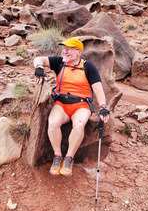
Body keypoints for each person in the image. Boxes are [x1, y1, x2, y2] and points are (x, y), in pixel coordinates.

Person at [33, 37, 110, 177]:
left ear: (78, 53)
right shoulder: (60, 63)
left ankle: (69, 158)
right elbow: (39, 59)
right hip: (62, 103)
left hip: (81, 104)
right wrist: (38, 67)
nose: (65, 52)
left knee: (79, 124)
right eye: (64, 49)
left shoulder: (88, 66)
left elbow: (98, 89)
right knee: (53, 123)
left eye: (69, 50)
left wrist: (103, 107)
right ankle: (57, 156)